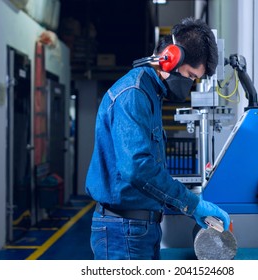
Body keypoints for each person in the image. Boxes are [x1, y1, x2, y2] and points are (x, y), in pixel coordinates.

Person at [85, 17, 230, 260]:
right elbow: (137, 167)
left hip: (139, 228)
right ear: (170, 58)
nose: (190, 85)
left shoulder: (151, 93)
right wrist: (191, 204)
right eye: (191, 76)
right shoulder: (134, 94)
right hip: (123, 230)